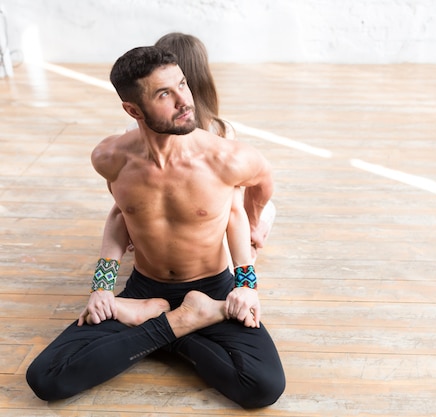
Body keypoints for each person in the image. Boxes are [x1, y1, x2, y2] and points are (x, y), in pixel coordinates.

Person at [25, 46, 285, 409]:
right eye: (165, 93)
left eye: (182, 84)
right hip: (145, 288)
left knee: (263, 386)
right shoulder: (111, 158)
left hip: (212, 287)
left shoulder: (226, 159)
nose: (184, 100)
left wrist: (246, 284)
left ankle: (157, 322)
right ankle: (182, 320)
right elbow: (121, 215)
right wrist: (102, 287)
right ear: (133, 110)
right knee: (46, 378)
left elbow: (241, 208)